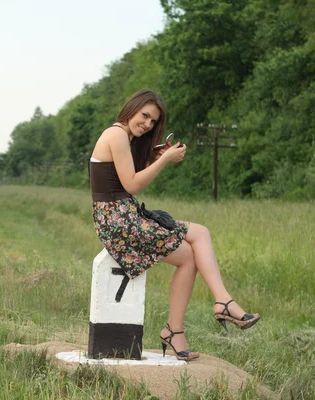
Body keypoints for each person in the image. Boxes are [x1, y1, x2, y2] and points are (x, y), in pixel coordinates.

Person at [89, 88, 260, 361]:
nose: (147, 124)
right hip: (118, 221)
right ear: (131, 107)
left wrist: (154, 157)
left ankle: (175, 330)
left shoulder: (124, 136)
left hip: (121, 216)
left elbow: (124, 176)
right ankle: (223, 302)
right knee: (200, 233)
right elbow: (132, 183)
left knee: (190, 255)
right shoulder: (117, 134)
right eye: (145, 115)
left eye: (153, 121)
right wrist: (165, 160)